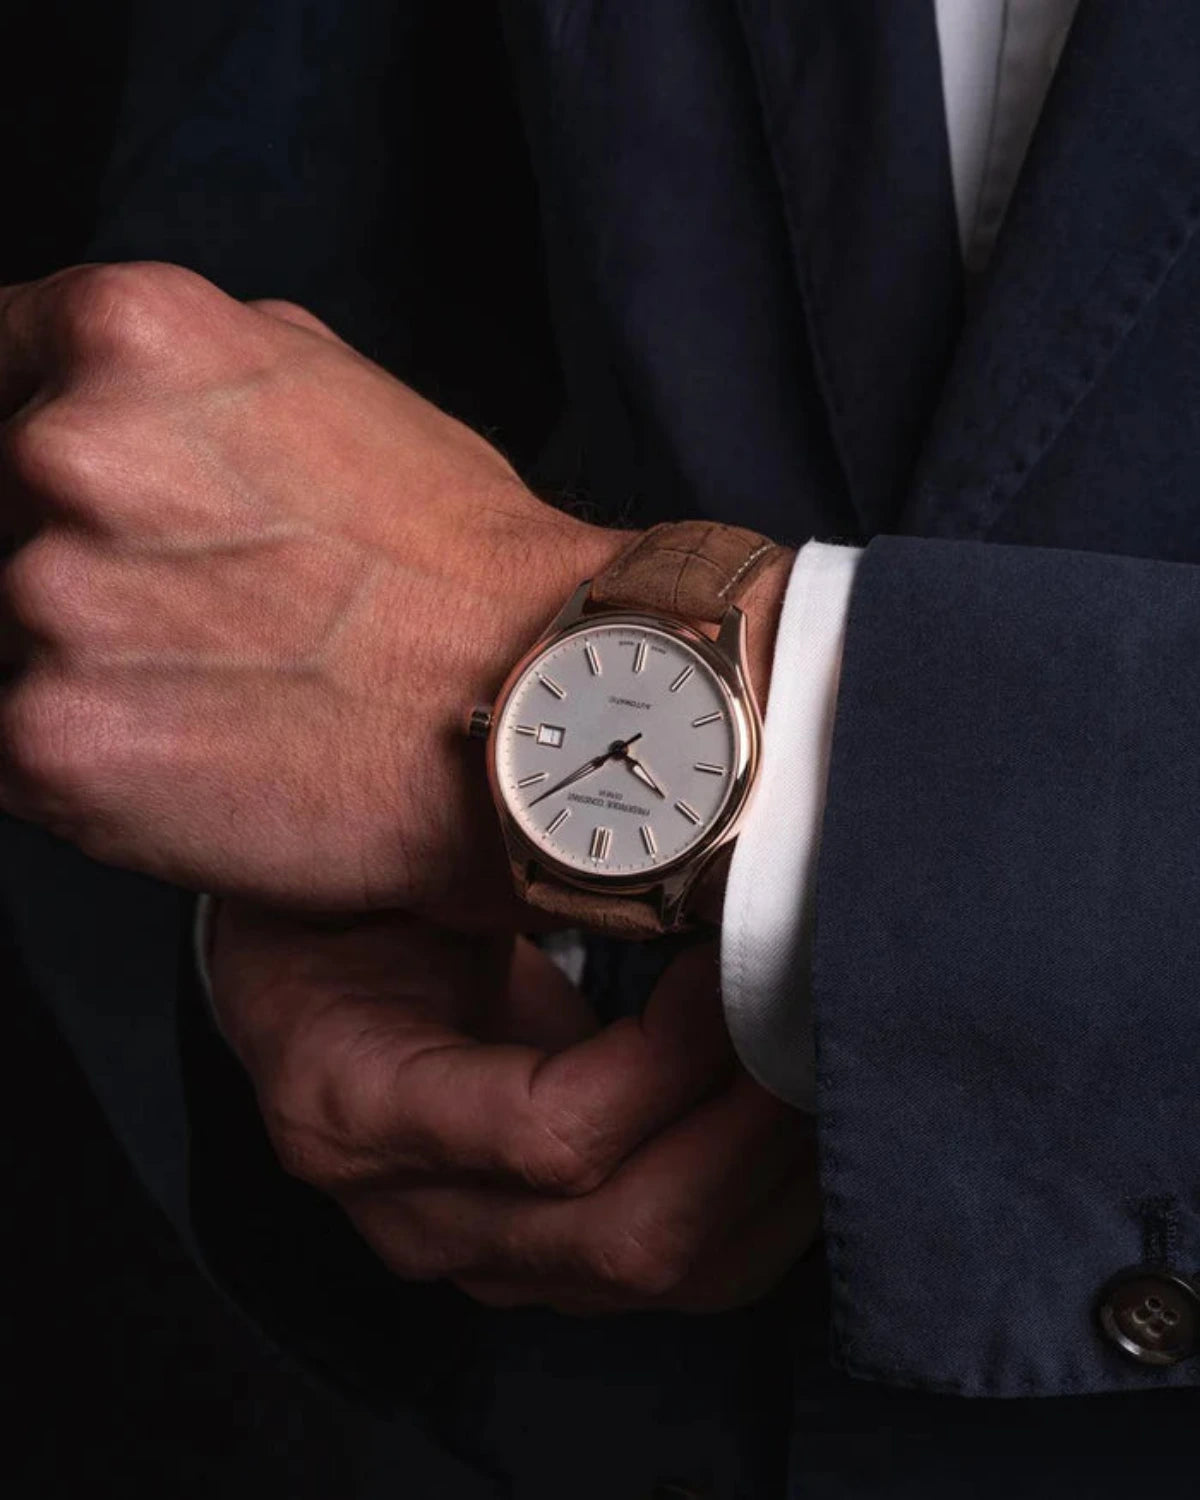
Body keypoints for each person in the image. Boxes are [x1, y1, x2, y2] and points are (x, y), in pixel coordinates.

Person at [3, 0, 1200, 1495]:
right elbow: (257, 325)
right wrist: (297, 876)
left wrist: (777, 740)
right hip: (532, 1360)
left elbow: (440, 633)